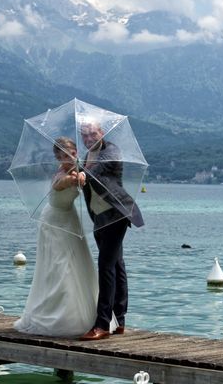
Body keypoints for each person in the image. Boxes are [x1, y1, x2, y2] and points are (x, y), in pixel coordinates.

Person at [13, 137, 98, 337]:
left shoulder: (77, 171)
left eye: (69, 153)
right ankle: (57, 316)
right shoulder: (63, 176)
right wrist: (77, 178)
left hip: (70, 218)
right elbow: (62, 184)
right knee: (59, 267)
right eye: (60, 155)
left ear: (76, 153)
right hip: (54, 222)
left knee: (76, 265)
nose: (65, 157)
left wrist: (83, 173)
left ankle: (81, 314)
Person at [79, 121, 145, 341]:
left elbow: (99, 169)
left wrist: (84, 174)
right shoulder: (86, 155)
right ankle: (120, 320)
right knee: (117, 264)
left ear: (102, 132)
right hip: (99, 216)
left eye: (91, 134)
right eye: (84, 135)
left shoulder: (111, 151)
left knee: (105, 265)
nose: (88, 138)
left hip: (117, 214)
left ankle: (102, 324)